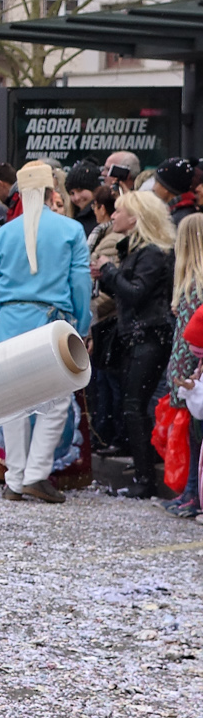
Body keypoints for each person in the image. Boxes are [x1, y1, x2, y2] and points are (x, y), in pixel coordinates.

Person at [0, 163, 93, 503]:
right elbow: (81, 285)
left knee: (12, 404)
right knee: (55, 403)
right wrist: (81, 327)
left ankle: (14, 477)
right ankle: (37, 474)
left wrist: (3, 319)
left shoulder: (3, 233)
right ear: (52, 191)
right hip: (53, 326)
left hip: (10, 324)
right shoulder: (70, 230)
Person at [98, 186, 177, 498]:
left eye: (119, 210)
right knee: (134, 405)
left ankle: (145, 478)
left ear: (135, 219)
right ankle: (143, 473)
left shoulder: (152, 254)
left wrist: (108, 271)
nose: (113, 215)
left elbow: (135, 293)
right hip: (139, 334)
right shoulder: (140, 251)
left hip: (149, 335)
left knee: (135, 405)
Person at [158, 214, 203, 520]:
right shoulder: (192, 283)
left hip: (191, 366)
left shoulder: (195, 285)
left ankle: (192, 493)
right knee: (192, 432)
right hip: (188, 364)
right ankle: (190, 492)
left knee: (194, 432)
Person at [151, 158, 198, 225]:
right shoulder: (181, 212)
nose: (153, 188)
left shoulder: (179, 218)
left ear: (166, 188)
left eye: (156, 182)